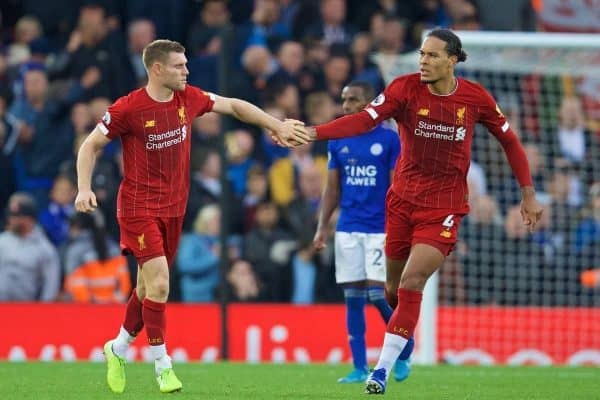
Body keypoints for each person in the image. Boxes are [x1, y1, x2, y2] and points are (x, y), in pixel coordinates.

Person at [301, 29, 543, 394]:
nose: (423, 61)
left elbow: (510, 141)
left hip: (443, 208)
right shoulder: (404, 89)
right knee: (393, 292)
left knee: (414, 282)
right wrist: (313, 133)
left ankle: (380, 370)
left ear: (452, 60)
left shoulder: (475, 98)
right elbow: (363, 121)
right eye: (422, 54)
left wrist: (528, 194)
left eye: (432, 55)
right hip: (401, 204)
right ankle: (405, 343)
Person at [74, 39, 309, 394]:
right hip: (138, 207)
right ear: (156, 69)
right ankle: (163, 365)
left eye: (186, 64)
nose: (187, 71)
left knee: (146, 288)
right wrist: (83, 188)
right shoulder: (128, 108)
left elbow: (233, 106)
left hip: (174, 208)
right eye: (179, 66)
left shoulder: (189, 98)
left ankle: (118, 347)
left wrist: (274, 124)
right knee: (162, 285)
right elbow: (90, 145)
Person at [312, 81, 413, 384]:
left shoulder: (389, 140)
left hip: (380, 228)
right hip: (348, 229)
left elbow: (398, 188)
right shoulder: (338, 140)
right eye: (343, 100)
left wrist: (399, 226)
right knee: (353, 297)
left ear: (369, 104)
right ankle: (358, 367)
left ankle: (405, 349)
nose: (346, 106)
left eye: (353, 100)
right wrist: (322, 229)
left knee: (377, 294)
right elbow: (332, 189)